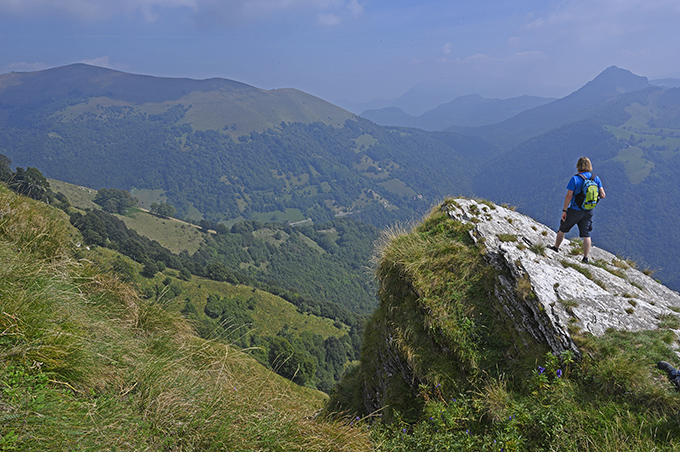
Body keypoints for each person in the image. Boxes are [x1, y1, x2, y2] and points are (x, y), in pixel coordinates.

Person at [549, 157, 606, 263]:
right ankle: (585, 258)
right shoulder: (595, 178)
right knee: (586, 234)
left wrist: (564, 210)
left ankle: (556, 248)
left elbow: (568, 197)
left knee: (563, 229)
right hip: (589, 211)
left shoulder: (575, 179)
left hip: (575, 210)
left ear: (578, 166)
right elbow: (603, 195)